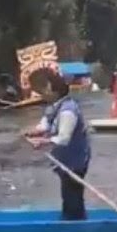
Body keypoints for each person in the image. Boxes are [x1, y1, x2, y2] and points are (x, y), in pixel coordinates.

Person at [23, 76, 91, 220]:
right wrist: (34, 132)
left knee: (72, 195)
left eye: (46, 88)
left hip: (75, 160)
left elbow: (64, 138)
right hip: (64, 159)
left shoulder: (68, 111)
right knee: (67, 195)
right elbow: (45, 125)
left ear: (56, 91)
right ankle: (72, 220)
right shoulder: (53, 107)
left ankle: (76, 226)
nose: (43, 92)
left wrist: (43, 142)